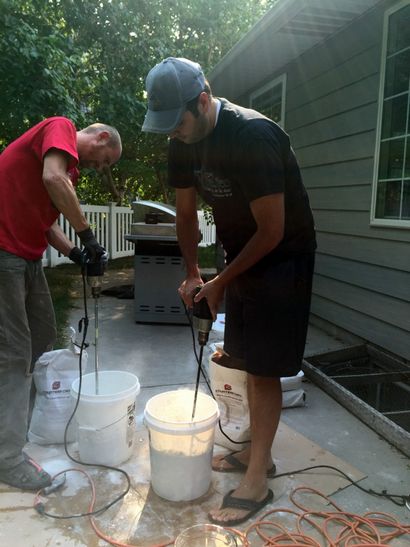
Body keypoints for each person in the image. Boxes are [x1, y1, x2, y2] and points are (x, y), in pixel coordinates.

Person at [142, 57, 316, 526]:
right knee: (239, 355)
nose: (173, 133)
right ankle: (255, 456)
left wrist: (223, 280)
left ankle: (258, 478)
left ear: (202, 101)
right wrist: (195, 272)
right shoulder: (183, 138)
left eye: (177, 123)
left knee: (263, 368)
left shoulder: (251, 136)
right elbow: (183, 215)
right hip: (238, 252)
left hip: (283, 257)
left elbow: (273, 230)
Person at [0, 117, 122, 490]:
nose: (99, 168)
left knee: (41, 337)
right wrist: (88, 236)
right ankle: (7, 460)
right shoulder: (61, 128)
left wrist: (75, 254)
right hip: (3, 254)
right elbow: (53, 179)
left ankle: (14, 426)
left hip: (28, 257)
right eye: (104, 161)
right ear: (101, 137)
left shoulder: (68, 168)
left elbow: (45, 224)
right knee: (16, 352)